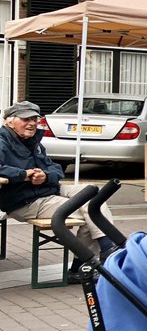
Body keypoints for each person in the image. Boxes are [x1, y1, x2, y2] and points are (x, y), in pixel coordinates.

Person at [0, 101, 115, 281]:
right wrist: (23, 174)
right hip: (25, 200)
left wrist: (45, 176)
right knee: (90, 209)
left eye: (34, 119)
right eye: (26, 119)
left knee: (95, 193)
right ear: (9, 121)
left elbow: (56, 169)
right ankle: (100, 253)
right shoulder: (2, 142)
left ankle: (92, 259)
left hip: (48, 190)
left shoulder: (34, 142)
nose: (32, 123)